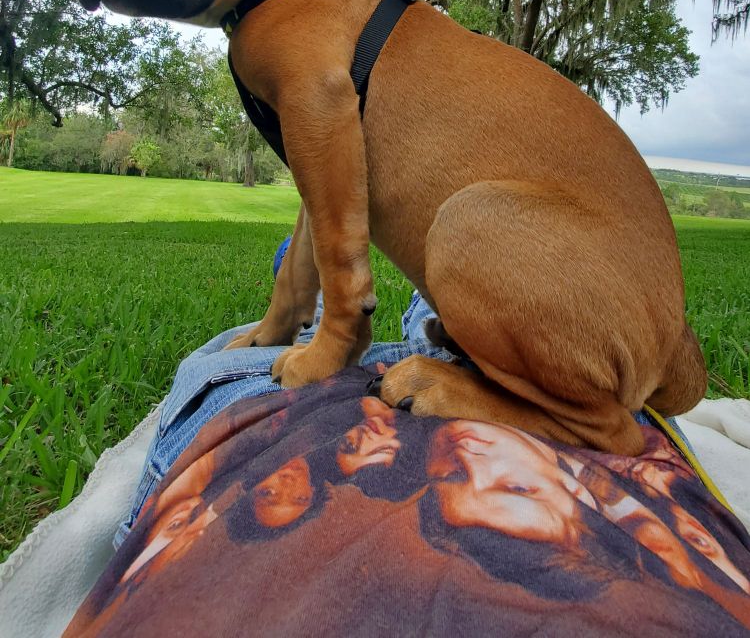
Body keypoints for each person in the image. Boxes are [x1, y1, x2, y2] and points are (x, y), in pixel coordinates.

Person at [63, 242, 750, 637]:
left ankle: (324, 275)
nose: (467, 464)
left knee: (247, 351)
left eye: (448, 485)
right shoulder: (660, 566)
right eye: (509, 488)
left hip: (286, 416)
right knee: (459, 292)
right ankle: (422, 283)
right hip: (551, 406)